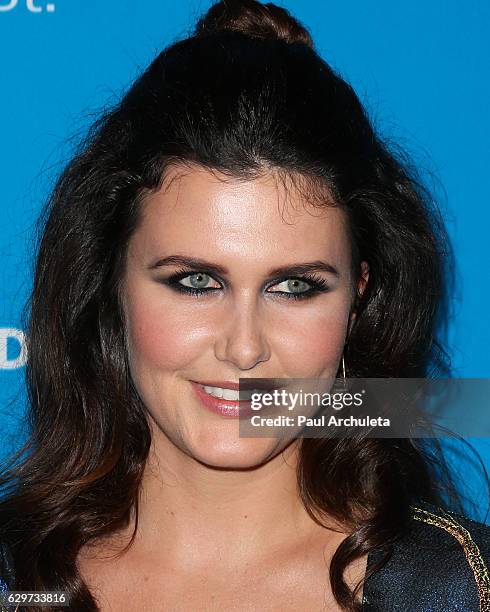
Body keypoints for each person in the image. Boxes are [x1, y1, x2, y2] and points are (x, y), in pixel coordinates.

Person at [0, 1, 489, 610]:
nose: (245, 346)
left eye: (295, 287)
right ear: (110, 282)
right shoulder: (11, 580)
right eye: (196, 282)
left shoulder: (464, 588)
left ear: (358, 298)